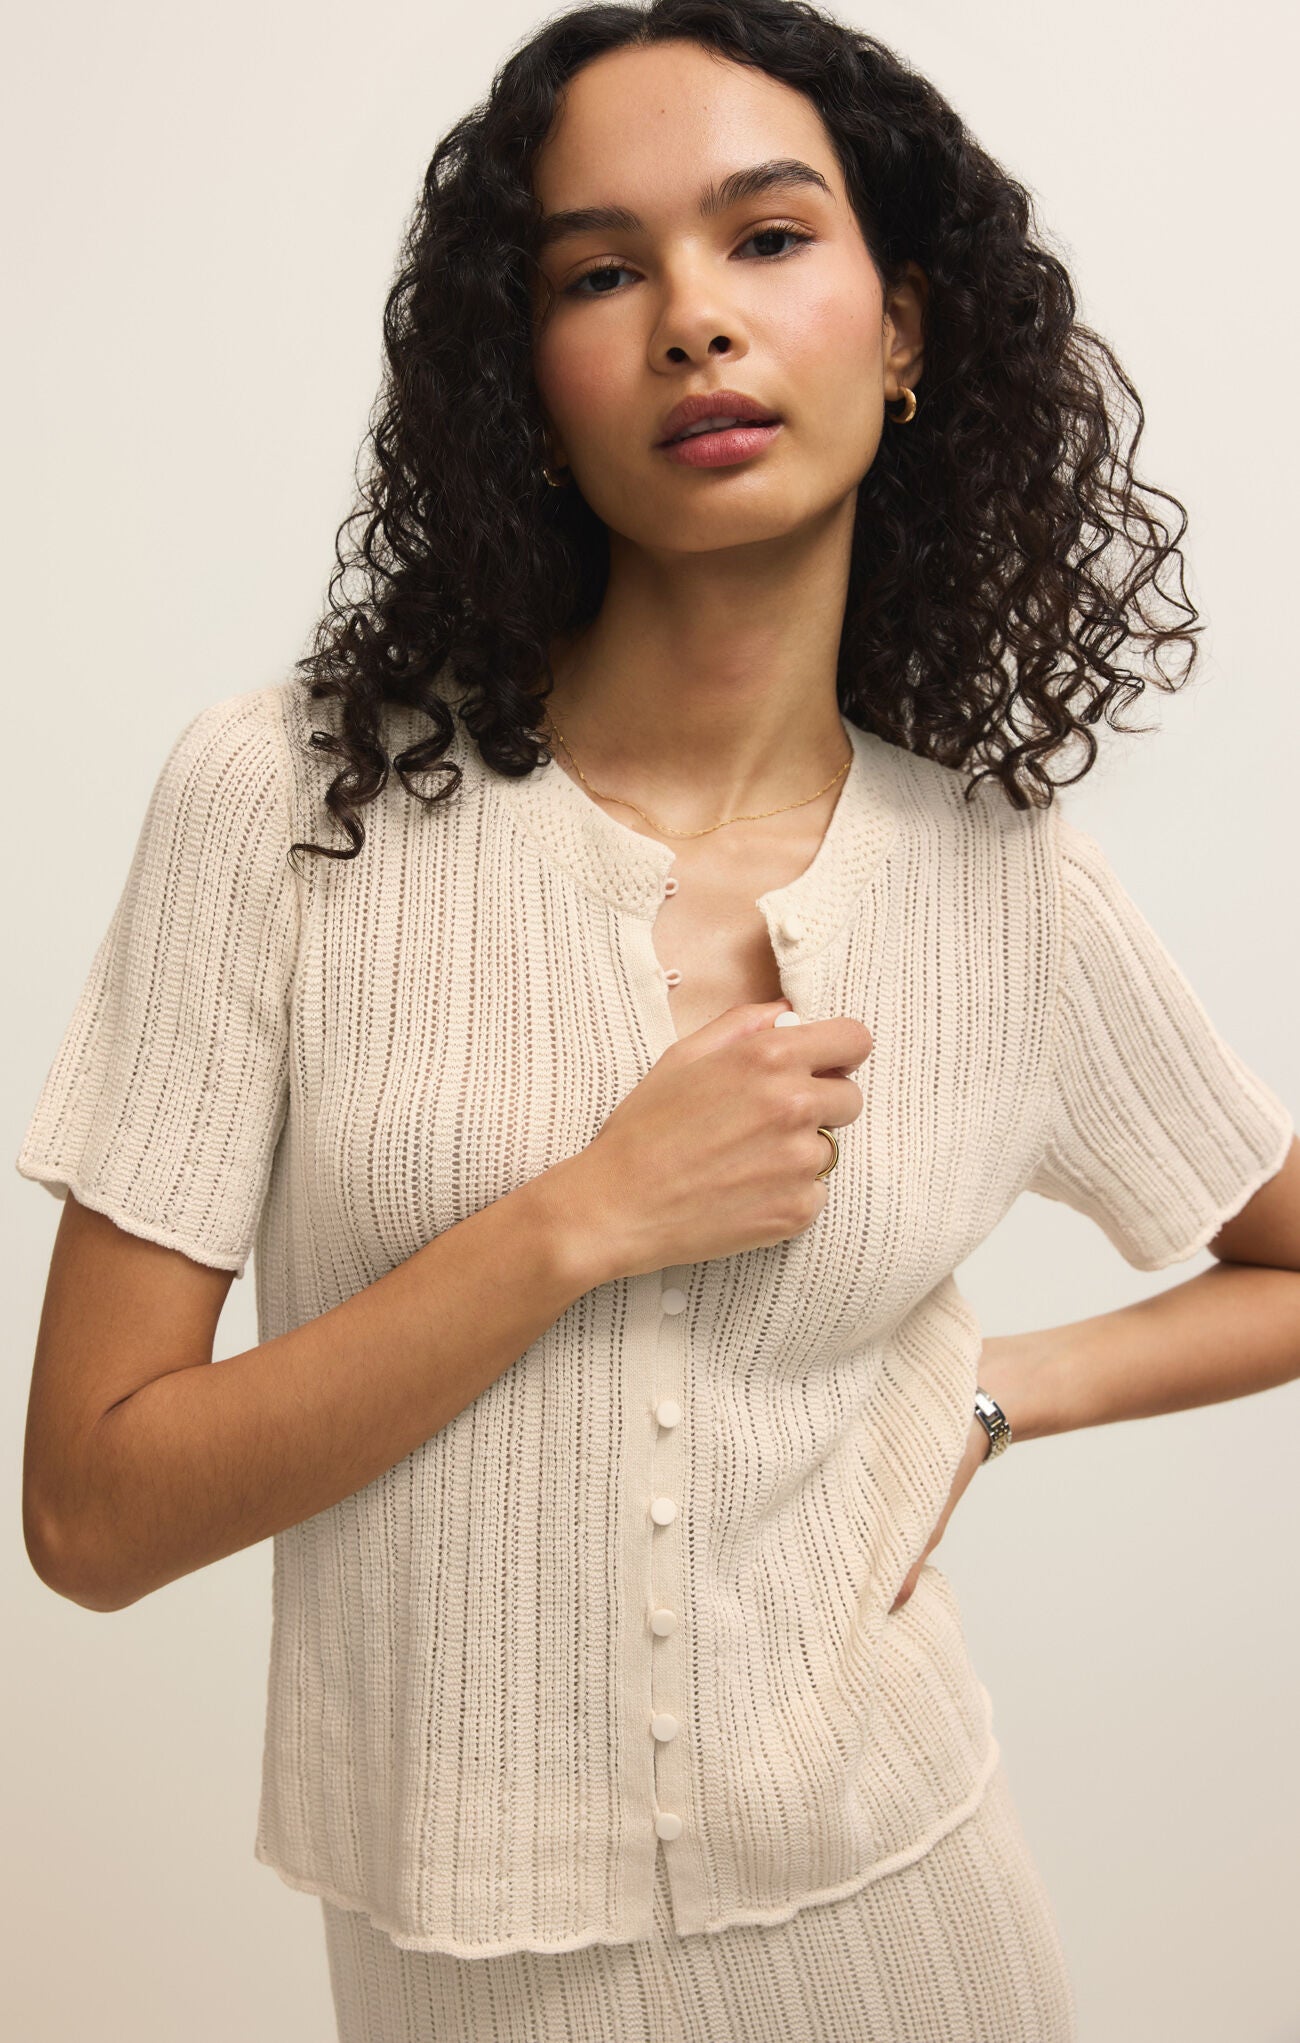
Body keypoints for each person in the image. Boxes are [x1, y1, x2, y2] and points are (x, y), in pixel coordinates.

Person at [17, 4, 1298, 2040]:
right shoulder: (287, 806)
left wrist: (984, 1393)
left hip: (908, 1913)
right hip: (457, 1969)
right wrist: (577, 1217)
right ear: (526, 379)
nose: (692, 317)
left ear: (905, 332)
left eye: (767, 237)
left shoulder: (998, 885)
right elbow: (89, 1508)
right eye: (600, 272)